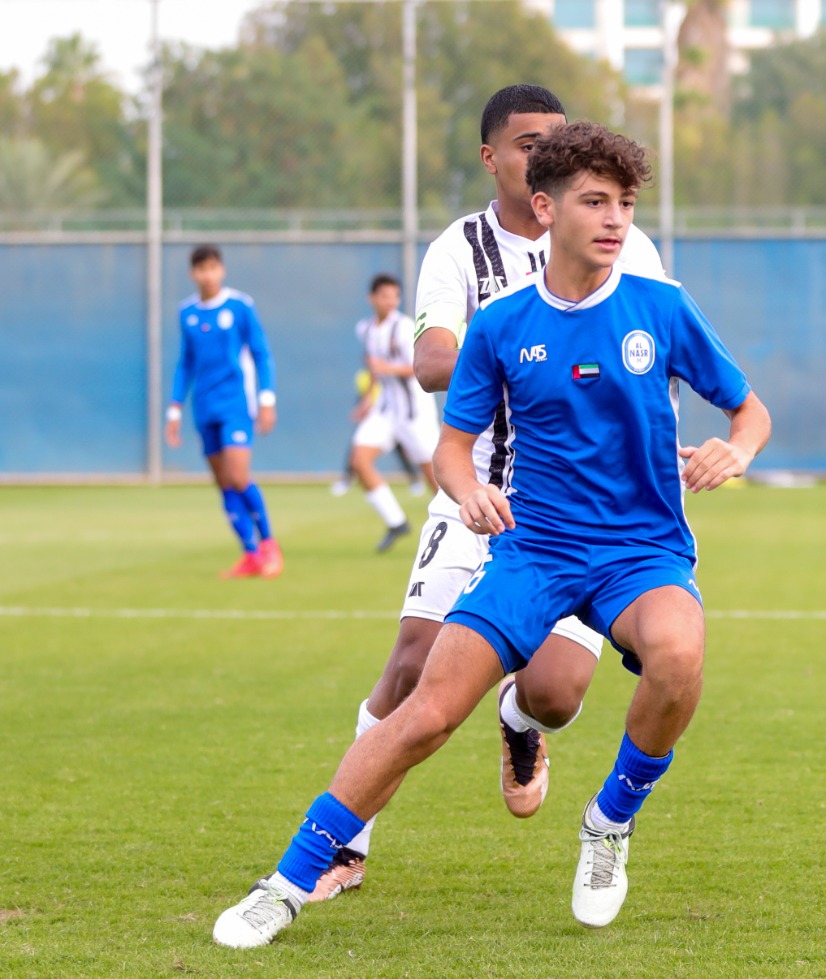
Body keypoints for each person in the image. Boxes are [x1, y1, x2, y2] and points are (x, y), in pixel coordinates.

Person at [212, 119, 770, 947]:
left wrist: (738, 447)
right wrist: (468, 492)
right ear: (545, 208)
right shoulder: (502, 326)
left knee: (679, 655)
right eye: (594, 201)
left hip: (641, 550)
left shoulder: (663, 306)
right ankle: (289, 878)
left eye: (623, 202)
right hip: (534, 551)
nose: (615, 218)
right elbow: (450, 445)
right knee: (427, 712)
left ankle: (609, 822)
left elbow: (749, 408)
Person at [296, 85, 668, 905]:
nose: (544, 152)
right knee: (411, 663)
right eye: (527, 141)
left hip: (579, 512)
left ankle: (520, 722)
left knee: (557, 693)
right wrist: (510, 336)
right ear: (492, 157)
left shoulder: (625, 243)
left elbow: (657, 345)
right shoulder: (458, 250)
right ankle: (343, 845)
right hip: (478, 491)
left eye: (556, 139)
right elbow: (433, 360)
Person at [166, 244, 283, 579]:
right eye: (201, 269)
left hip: (235, 404)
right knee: (223, 483)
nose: (207, 274)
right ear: (193, 274)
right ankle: (249, 554)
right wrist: (174, 410)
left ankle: (270, 545)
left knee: (238, 475)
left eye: (213, 267)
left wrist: (267, 400)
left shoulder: (240, 306)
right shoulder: (187, 312)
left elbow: (262, 353)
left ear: (222, 270)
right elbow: (185, 364)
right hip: (204, 407)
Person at [346, 273, 440, 552]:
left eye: (395, 296)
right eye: (384, 295)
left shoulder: (404, 326)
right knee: (359, 461)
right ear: (371, 298)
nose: (390, 301)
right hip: (385, 411)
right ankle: (396, 521)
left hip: (414, 413)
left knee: (437, 477)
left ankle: (464, 528)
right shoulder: (365, 329)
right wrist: (366, 400)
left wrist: (386, 369)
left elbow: (418, 367)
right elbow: (374, 368)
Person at [330, 369, 425, 499]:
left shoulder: (390, 370)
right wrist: (364, 406)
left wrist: (386, 366)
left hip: (401, 418)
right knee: (357, 454)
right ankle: (346, 480)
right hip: (377, 418)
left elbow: (411, 371)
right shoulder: (364, 376)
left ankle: (415, 481)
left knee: (412, 454)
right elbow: (366, 396)